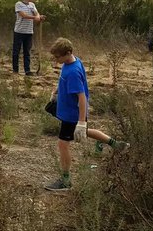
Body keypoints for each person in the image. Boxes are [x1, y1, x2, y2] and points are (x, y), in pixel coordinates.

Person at [44, 38, 128, 192]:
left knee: (63, 144)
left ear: (68, 53)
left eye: (58, 57)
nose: (56, 60)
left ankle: (65, 181)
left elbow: (82, 98)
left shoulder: (73, 72)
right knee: (86, 132)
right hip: (69, 112)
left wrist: (80, 121)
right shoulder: (72, 62)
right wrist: (56, 91)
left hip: (72, 115)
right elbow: (63, 80)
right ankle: (116, 144)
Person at [13, 0, 43, 76]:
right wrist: (35, 18)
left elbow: (37, 14)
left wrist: (39, 17)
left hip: (29, 32)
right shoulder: (18, 4)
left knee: (27, 51)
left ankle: (27, 70)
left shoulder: (32, 5)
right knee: (16, 51)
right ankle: (15, 70)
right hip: (19, 31)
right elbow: (24, 15)